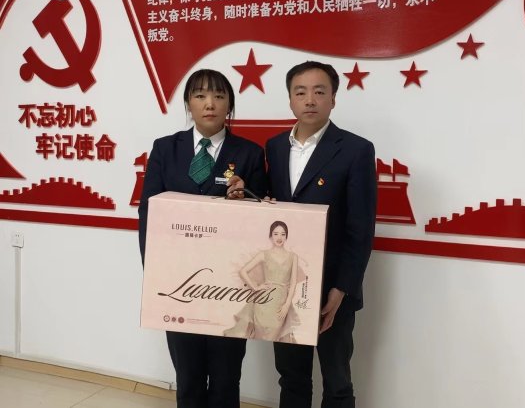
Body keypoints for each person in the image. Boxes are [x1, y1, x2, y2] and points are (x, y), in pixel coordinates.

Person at [138, 69, 267, 408]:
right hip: (178, 284)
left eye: (219, 96)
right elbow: (149, 213)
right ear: (188, 104)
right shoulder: (165, 149)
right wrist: (155, 275)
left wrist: (247, 198)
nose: (210, 104)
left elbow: (263, 221)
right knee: (188, 376)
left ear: (230, 106)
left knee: (226, 377)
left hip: (230, 289)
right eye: (200, 96)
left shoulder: (250, 154)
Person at [266, 61, 377, 408]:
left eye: (319, 91)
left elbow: (360, 228)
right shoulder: (274, 147)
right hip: (286, 285)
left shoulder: (356, 149)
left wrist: (341, 288)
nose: (310, 100)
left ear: (333, 99)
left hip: (333, 289)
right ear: (290, 100)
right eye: (300, 92)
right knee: (291, 377)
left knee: (337, 380)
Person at [224, 220, 301, 343]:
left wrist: (287, 305)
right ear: (270, 236)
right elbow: (243, 271)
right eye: (276, 234)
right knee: (259, 339)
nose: (279, 237)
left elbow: (293, 283)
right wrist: (255, 287)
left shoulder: (293, 257)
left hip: (281, 304)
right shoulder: (264, 254)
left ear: (286, 236)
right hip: (263, 301)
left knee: (275, 336)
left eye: (283, 234)